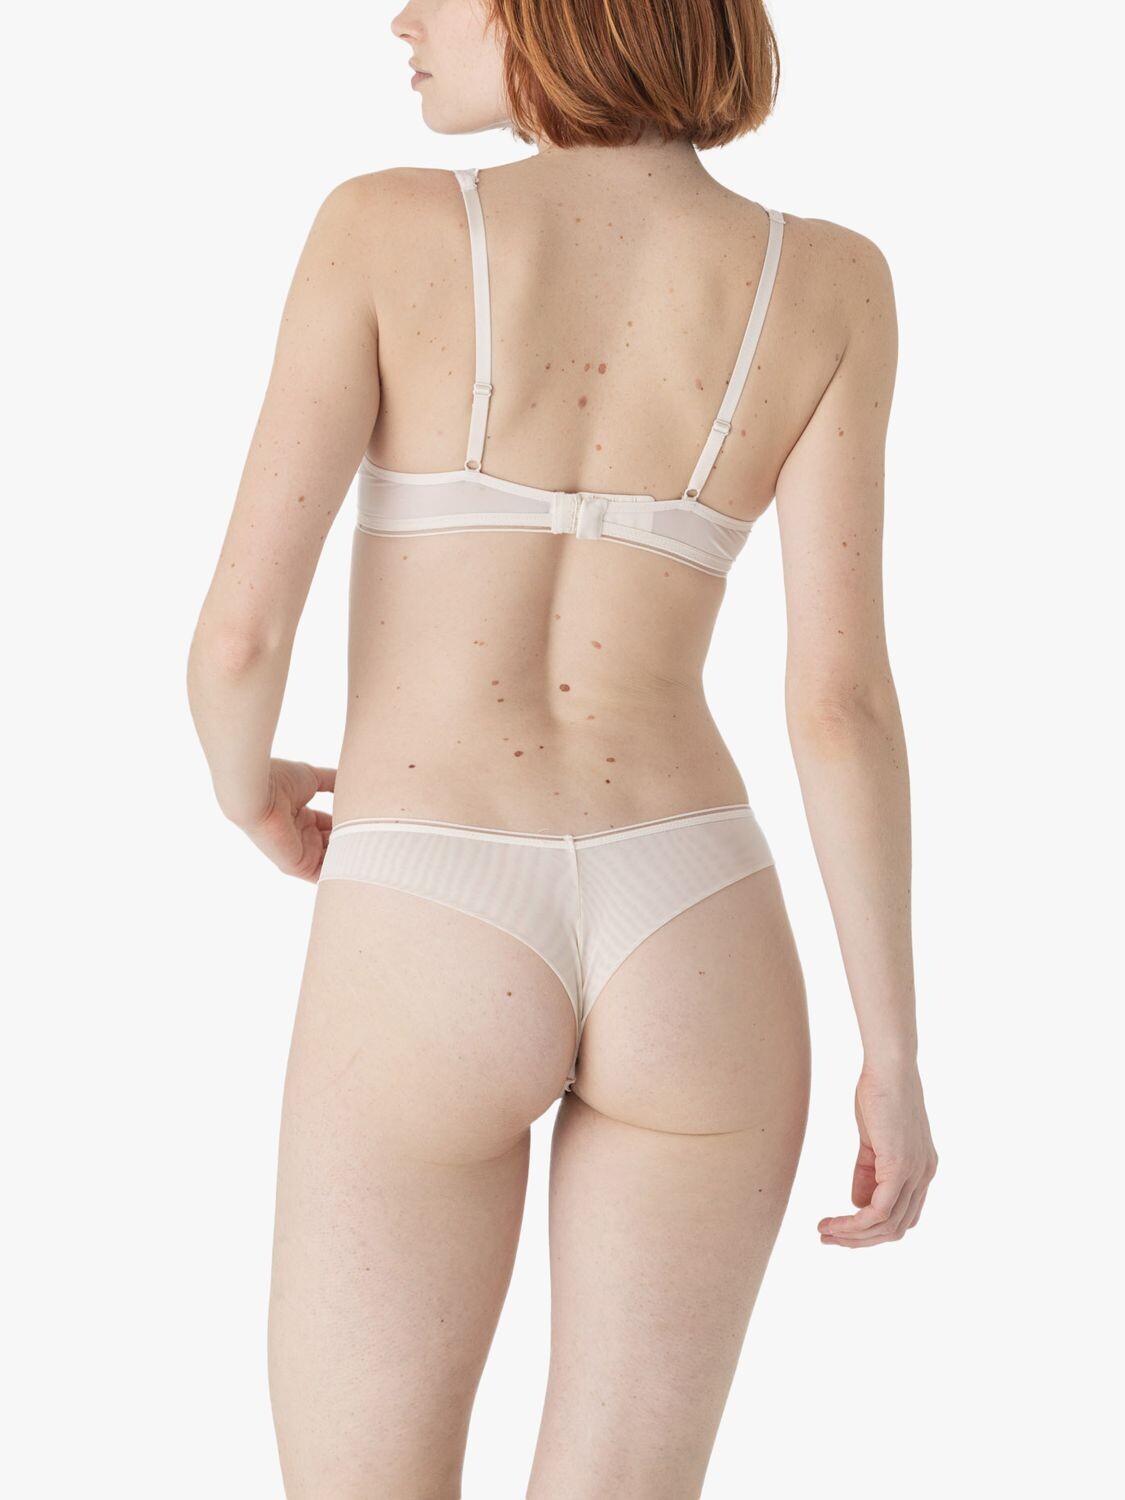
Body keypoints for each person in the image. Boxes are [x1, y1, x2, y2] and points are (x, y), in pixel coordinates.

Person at [186, 0, 938, 1494]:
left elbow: (238, 644)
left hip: (431, 899)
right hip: (699, 919)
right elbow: (839, 703)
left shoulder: (384, 228)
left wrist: (249, 790)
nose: (402, 18)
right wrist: (894, 1056)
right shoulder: (831, 280)